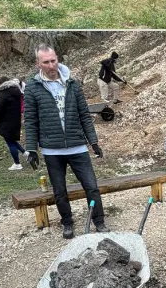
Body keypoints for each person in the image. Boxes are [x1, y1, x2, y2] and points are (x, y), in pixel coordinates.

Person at [24, 45, 106, 239]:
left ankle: (99, 221)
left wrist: (93, 142)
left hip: (77, 146)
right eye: (46, 62)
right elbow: (30, 120)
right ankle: (67, 223)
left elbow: (84, 115)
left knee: (91, 186)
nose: (51, 65)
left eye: (53, 60)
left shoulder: (72, 84)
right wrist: (31, 149)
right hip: (52, 150)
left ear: (57, 59)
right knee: (60, 191)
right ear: (38, 64)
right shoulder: (33, 87)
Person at [0, 75, 35, 171]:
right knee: (11, 139)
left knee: (10, 141)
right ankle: (25, 153)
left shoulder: (2, 93)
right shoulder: (15, 91)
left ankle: (17, 163)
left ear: (0, 83)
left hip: (6, 120)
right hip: (15, 119)